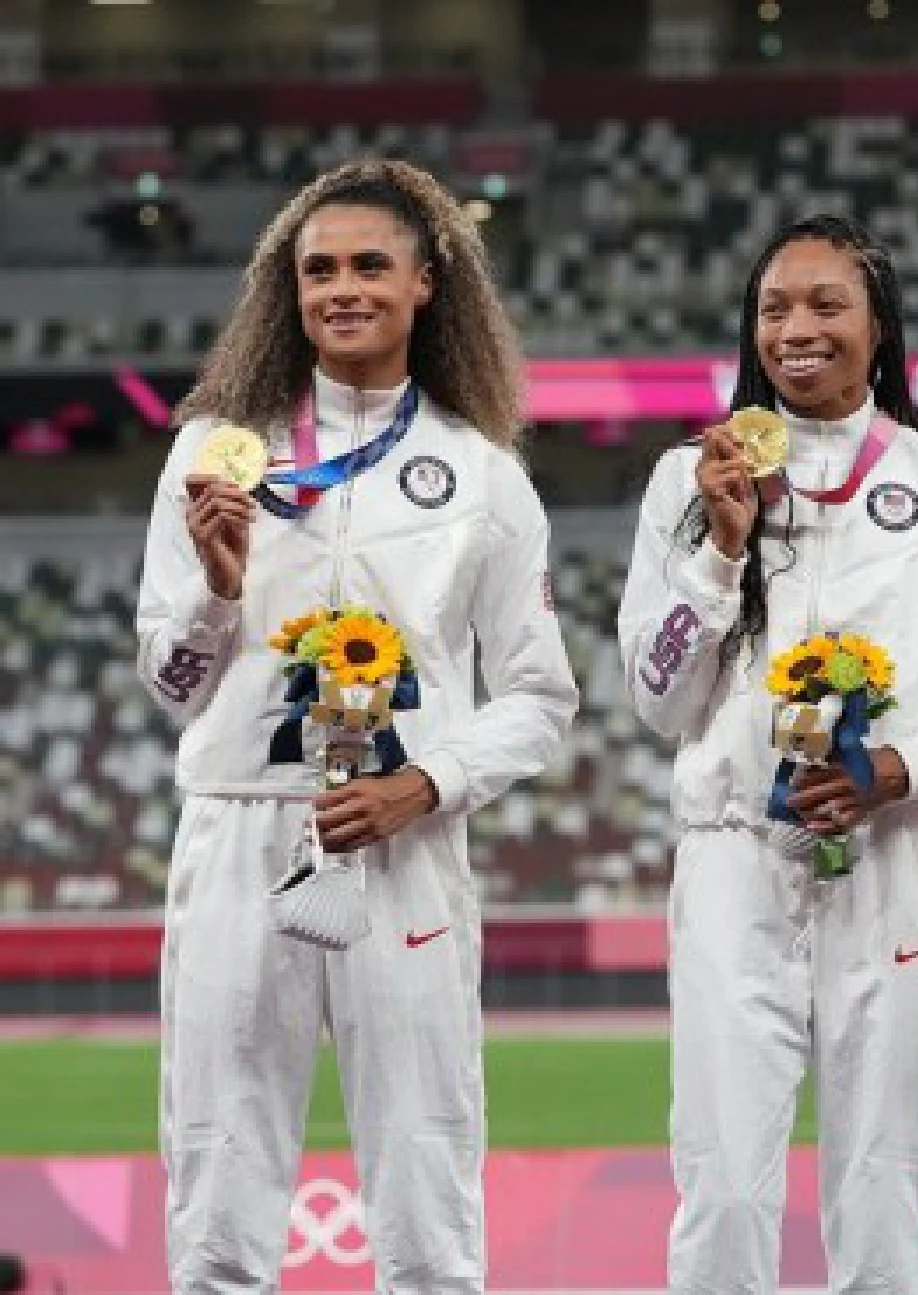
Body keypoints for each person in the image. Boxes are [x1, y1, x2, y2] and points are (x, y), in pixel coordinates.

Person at [138, 158, 579, 1291]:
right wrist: (217, 585)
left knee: (426, 1171)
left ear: (426, 283)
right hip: (241, 828)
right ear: (286, 290)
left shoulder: (482, 472)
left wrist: (424, 783)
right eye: (316, 268)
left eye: (369, 265)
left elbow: (540, 697)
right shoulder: (211, 454)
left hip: (403, 844)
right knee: (219, 1175)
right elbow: (173, 681)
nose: (341, 287)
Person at [618, 214, 918, 1293]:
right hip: (734, 859)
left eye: (826, 304)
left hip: (890, 864)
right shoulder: (684, 480)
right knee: (725, 1181)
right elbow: (656, 699)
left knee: (883, 1178)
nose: (797, 328)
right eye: (774, 308)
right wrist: (721, 545)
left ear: (878, 326)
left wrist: (899, 769)